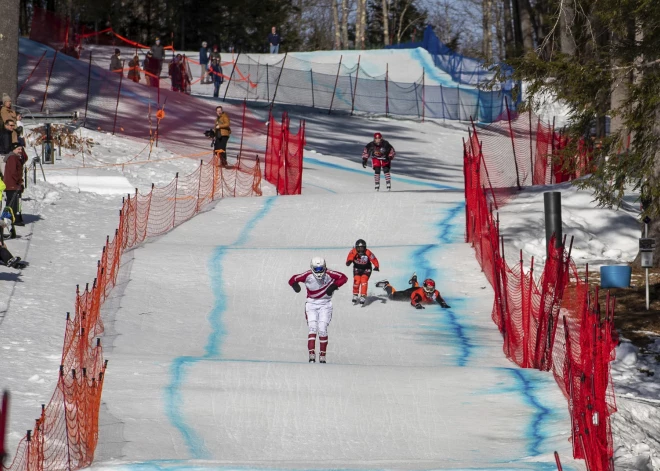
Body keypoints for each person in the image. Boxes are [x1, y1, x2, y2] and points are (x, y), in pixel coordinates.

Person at [288, 256, 348, 363]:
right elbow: (293, 279)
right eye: (317, 269)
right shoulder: (307, 275)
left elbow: (343, 277)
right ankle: (311, 354)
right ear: (312, 268)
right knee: (312, 328)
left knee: (322, 328)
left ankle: (322, 355)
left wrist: (334, 286)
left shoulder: (329, 273)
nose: (319, 272)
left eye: (321, 269)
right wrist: (295, 285)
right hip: (311, 304)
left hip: (325, 304)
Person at [376, 273, 451, 309]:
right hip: (410, 293)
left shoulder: (435, 293)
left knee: (417, 288)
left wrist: (443, 304)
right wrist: (417, 305)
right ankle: (387, 285)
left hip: (417, 289)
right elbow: (413, 301)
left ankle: (414, 280)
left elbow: (440, 299)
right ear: (424, 287)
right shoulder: (419, 295)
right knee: (392, 296)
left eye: (431, 289)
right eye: (428, 289)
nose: (430, 291)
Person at [345, 239, 379, 305]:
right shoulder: (353, 251)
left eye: (362, 248)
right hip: (357, 268)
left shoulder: (368, 252)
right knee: (356, 281)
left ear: (365, 247)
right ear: (356, 247)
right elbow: (350, 257)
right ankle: (355, 294)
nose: (360, 250)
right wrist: (349, 261)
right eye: (358, 248)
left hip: (366, 269)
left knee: (364, 281)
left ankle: (363, 295)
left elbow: (374, 259)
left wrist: (376, 266)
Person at [3, 144, 28, 237]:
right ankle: (10, 222)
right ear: (13, 149)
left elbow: (25, 158)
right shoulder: (13, 158)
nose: (20, 151)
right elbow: (14, 172)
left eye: (21, 149)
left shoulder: (16, 157)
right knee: (12, 204)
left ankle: (10, 221)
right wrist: (19, 181)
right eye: (18, 149)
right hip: (12, 185)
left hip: (12, 185)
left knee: (12, 203)